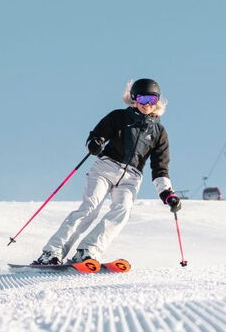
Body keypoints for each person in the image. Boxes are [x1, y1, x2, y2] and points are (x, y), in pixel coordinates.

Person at [32, 78, 180, 265]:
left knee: (122, 211)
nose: (147, 105)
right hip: (106, 168)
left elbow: (160, 167)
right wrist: (95, 143)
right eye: (143, 99)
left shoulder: (159, 132)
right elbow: (97, 135)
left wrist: (167, 193)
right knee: (90, 208)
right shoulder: (119, 117)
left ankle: (88, 250)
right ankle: (52, 252)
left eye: (152, 99)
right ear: (134, 98)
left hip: (132, 177)